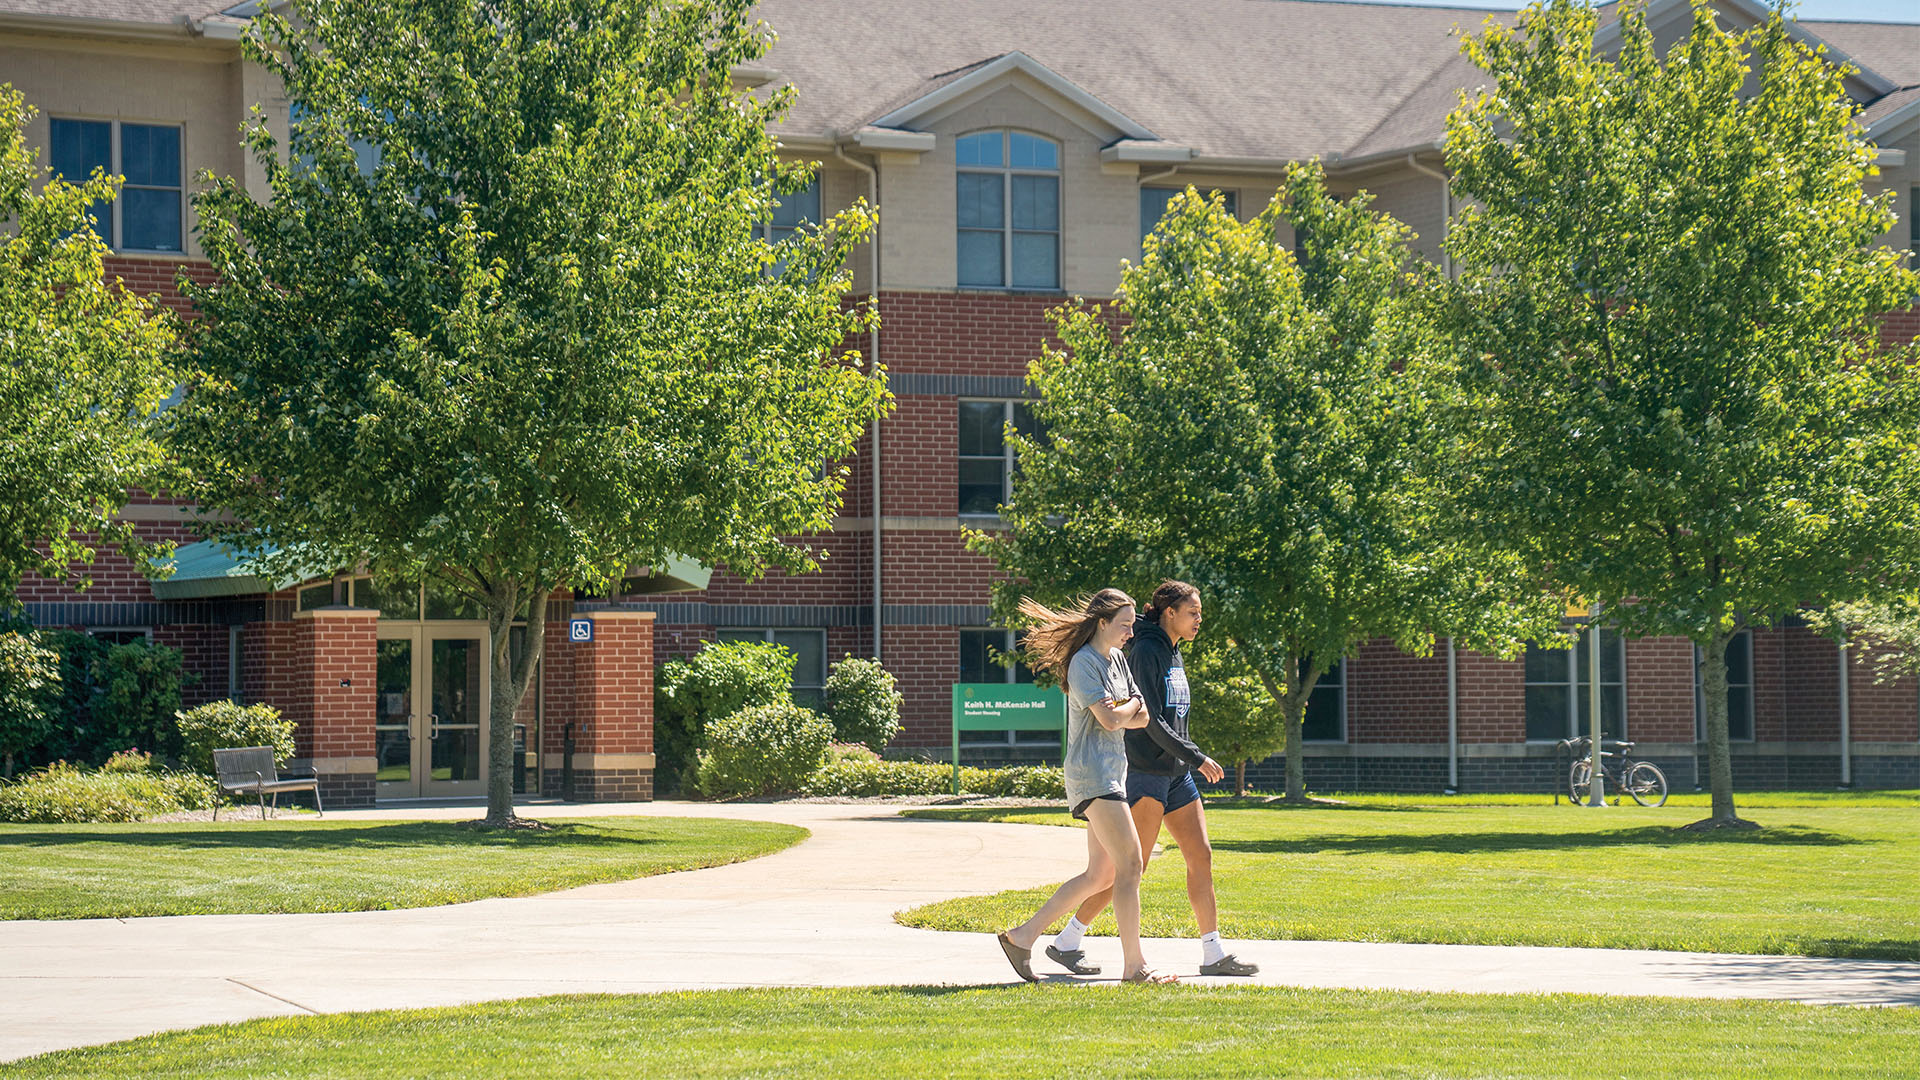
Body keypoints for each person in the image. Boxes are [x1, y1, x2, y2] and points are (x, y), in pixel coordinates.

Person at [1045, 581, 1260, 978]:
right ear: (1170, 613)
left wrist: (1185, 760)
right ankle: (1068, 939)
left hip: (1175, 774)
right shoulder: (1144, 650)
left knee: (1201, 856)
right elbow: (1150, 720)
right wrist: (1196, 756)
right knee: (1130, 869)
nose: (1198, 620)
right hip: (1145, 773)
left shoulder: (1173, 653)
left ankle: (1213, 953)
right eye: (1192, 613)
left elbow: (1152, 713)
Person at [995, 588, 1178, 985]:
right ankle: (1135, 966)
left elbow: (1142, 715)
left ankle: (1022, 937)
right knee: (1131, 865)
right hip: (1093, 775)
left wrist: (1124, 709)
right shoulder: (1084, 663)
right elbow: (1115, 720)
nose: (1131, 632)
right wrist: (1125, 709)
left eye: (1132, 625)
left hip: (1113, 773)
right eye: (1125, 625)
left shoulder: (1116, 660)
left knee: (1100, 876)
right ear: (1102, 622)